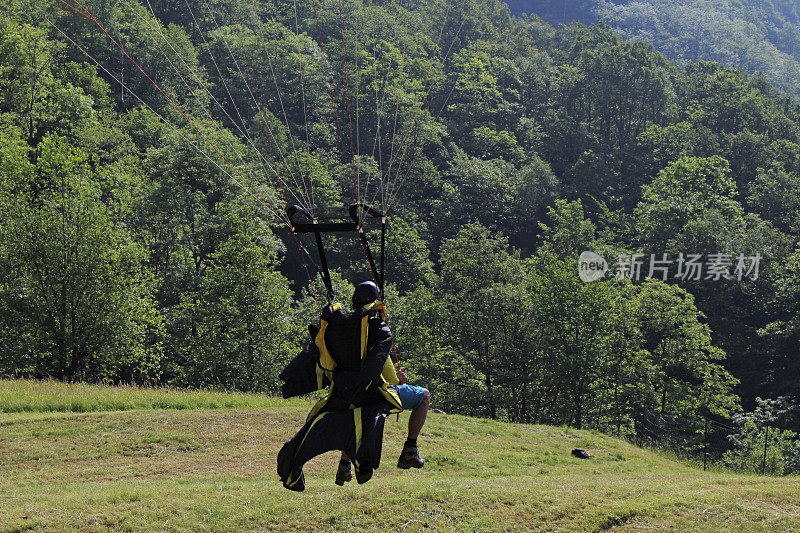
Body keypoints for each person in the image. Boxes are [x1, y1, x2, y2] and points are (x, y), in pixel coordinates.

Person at [335, 281, 430, 486]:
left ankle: (344, 466)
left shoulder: (346, 329)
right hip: (378, 393)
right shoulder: (376, 330)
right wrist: (399, 379)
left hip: (349, 391)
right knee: (424, 396)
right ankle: (410, 449)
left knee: (354, 415)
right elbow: (387, 375)